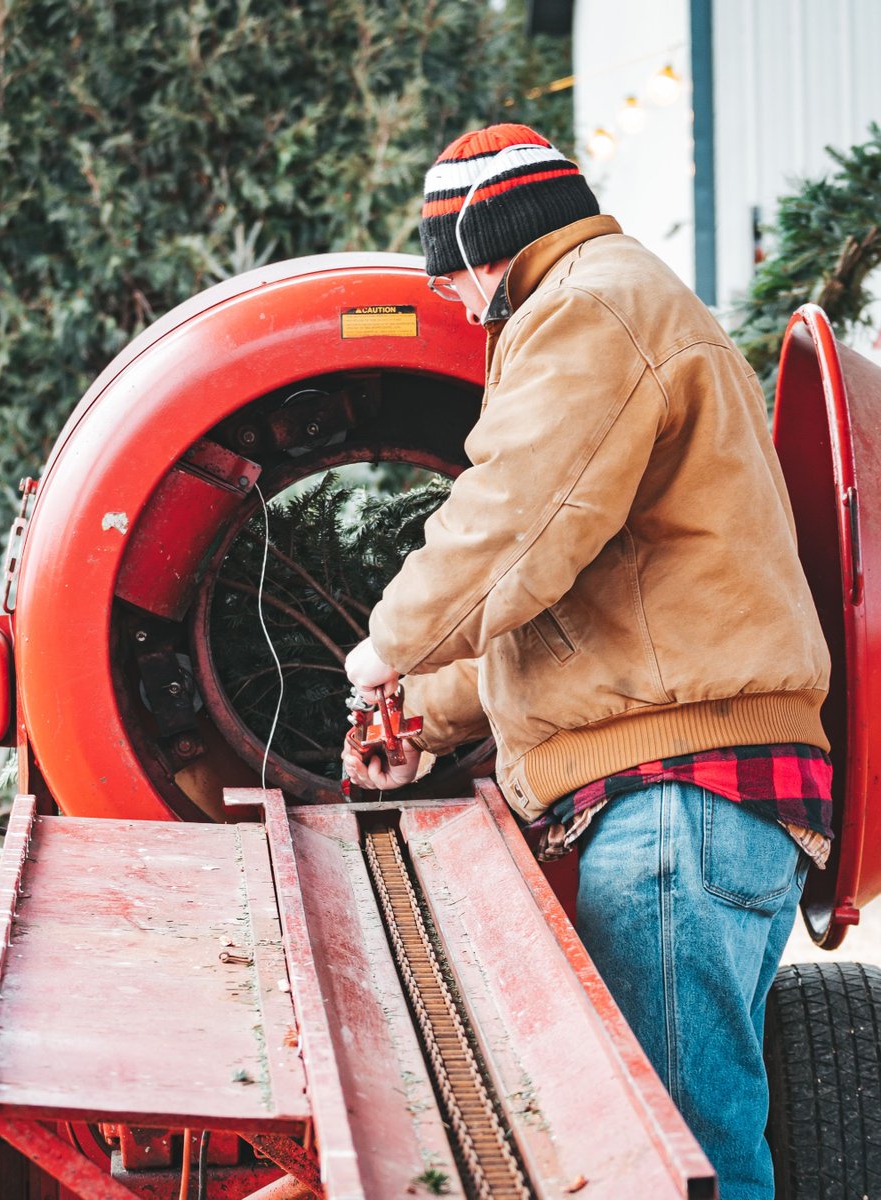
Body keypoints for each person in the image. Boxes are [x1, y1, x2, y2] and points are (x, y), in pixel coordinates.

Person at [341, 123, 832, 1200]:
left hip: (677, 803)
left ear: (485, 242)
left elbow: (514, 523)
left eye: (451, 276)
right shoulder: (617, 302)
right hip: (709, 798)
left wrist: (385, 647)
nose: (459, 308)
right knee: (696, 1140)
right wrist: (422, 712)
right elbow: (563, 604)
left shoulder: (586, 308)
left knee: (670, 1167)